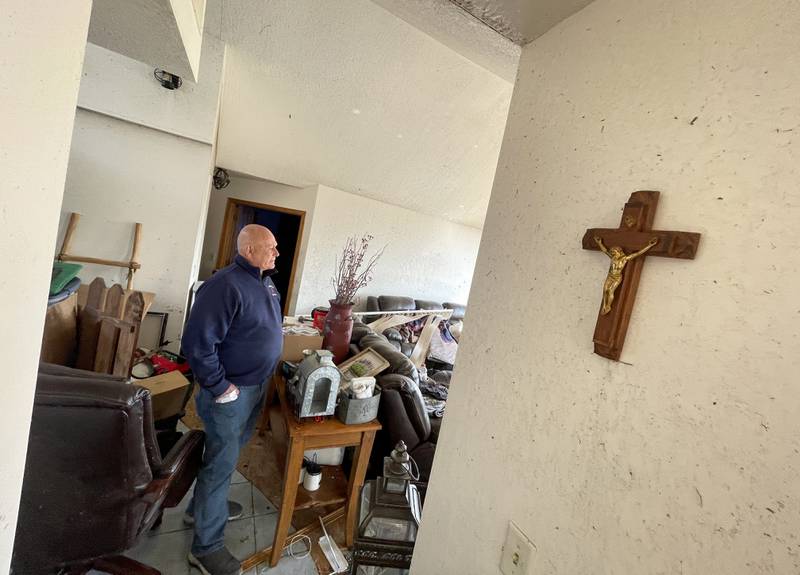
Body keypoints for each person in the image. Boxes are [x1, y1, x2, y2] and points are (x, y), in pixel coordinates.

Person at [182, 224, 282, 575]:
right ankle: (205, 548)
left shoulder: (264, 282)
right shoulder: (223, 285)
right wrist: (221, 387)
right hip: (230, 393)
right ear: (249, 250)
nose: (276, 252)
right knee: (221, 463)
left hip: (255, 388)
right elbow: (196, 344)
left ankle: (200, 508)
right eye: (270, 247)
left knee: (226, 454)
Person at [594, 235, 658, 314]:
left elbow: (638, 253)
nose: (612, 253)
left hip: (617, 277)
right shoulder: (613, 258)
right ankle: (604, 306)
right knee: (605, 290)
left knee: (610, 291)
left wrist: (650, 245)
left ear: (618, 252)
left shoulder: (624, 259)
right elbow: (604, 251)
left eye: (614, 252)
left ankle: (608, 306)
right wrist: (599, 243)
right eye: (612, 252)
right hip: (610, 276)